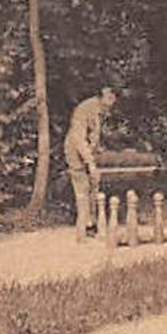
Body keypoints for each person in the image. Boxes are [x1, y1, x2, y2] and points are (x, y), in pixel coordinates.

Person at [64, 85, 117, 236]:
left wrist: (96, 154)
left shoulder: (99, 109)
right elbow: (78, 139)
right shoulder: (84, 109)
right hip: (75, 152)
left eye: (113, 98)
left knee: (94, 185)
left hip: (87, 152)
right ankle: (84, 225)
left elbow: (94, 135)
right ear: (102, 95)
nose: (111, 102)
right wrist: (90, 162)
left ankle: (93, 222)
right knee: (82, 187)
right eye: (109, 97)